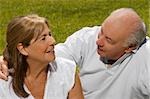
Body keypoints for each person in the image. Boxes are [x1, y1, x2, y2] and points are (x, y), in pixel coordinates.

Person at [0, 8, 150, 99]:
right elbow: (49, 57)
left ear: (130, 47)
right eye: (101, 31)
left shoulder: (146, 61)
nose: (98, 41)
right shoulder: (86, 39)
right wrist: (7, 59)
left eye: (109, 40)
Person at [0, 14, 84, 99]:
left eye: (50, 35)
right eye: (43, 39)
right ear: (22, 49)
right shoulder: (3, 82)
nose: (53, 41)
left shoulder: (67, 71)